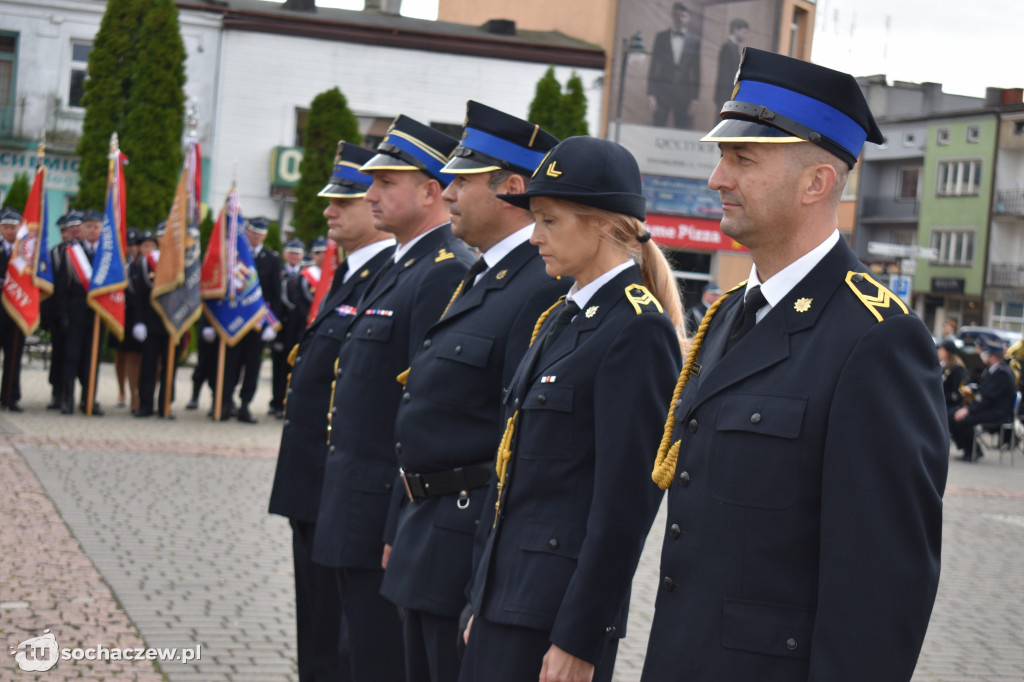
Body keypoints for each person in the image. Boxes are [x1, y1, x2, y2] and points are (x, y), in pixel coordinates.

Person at [642, 48, 948, 681]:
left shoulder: (877, 341)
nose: (717, 178)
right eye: (721, 156)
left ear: (817, 183)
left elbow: (879, 590)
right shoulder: (730, 316)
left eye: (743, 158)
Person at [459, 136, 684, 682]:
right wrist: (478, 598)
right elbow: (512, 477)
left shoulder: (636, 330)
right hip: (504, 598)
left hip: (553, 617)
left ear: (605, 224)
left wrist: (579, 637)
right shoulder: (565, 315)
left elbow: (623, 507)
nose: (535, 237)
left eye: (550, 221)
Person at [380, 101, 564, 682]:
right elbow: (421, 410)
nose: (449, 192)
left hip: (467, 547)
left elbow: (523, 447)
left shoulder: (540, 286)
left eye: (463, 179)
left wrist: (487, 582)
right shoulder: (479, 274)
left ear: (513, 187)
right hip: (426, 533)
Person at [311, 115, 473, 681]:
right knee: (352, 653)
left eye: (386, 182)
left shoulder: (440, 272)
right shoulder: (399, 266)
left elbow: (424, 410)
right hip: (351, 501)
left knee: (376, 659)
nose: (370, 193)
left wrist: (394, 524)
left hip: (381, 507)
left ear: (431, 191)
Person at [269, 141, 396, 682]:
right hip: (314, 484)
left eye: (343, 201)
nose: (329, 211)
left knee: (340, 645)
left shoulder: (390, 276)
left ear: (374, 207)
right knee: (316, 636)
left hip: (340, 488)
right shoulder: (348, 274)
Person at [221, 216, 280, 423]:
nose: (256, 236)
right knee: (231, 363)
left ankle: (245, 404)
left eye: (260, 233)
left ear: (265, 235)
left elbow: (275, 293)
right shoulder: (236, 256)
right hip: (236, 319)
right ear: (247, 232)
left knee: (252, 366)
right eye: (253, 232)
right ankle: (225, 402)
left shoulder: (272, 258)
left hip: (258, 323)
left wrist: (271, 324)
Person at [54, 209, 106, 416]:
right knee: (72, 356)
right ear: (82, 229)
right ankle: (68, 400)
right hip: (75, 311)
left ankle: (89, 399)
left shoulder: (106, 254)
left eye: (96, 226)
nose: (92, 230)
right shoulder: (72, 252)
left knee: (92, 357)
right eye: (88, 226)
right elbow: (62, 287)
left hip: (97, 314)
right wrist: (63, 314)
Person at [951, 334, 1016, 461]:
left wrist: (968, 409)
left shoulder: (1002, 373)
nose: (982, 356)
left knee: (961, 419)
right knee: (952, 414)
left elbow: (987, 398)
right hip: (989, 408)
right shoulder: (993, 370)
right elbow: (985, 391)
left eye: (985, 354)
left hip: (997, 412)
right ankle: (967, 449)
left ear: (992, 356)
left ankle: (973, 451)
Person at [44, 210, 82, 410]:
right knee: (58, 355)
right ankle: (56, 393)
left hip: (77, 312)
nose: (72, 233)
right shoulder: (55, 252)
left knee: (74, 355)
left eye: (76, 229)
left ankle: (74, 396)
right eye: (68, 230)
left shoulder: (82, 252)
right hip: (58, 312)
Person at [647, 2, 702, 129]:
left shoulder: (694, 41)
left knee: (681, 127)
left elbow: (697, 70)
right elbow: (653, 66)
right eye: (677, 15)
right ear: (672, 16)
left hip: (684, 94)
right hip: (662, 91)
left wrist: (694, 99)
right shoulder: (661, 37)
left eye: (683, 16)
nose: (680, 19)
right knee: (658, 127)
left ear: (688, 19)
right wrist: (651, 94)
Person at [270, 238, 305, 419]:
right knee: (279, 369)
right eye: (291, 252)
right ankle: (276, 402)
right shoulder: (278, 273)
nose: (294, 256)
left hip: (298, 330)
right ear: (285, 254)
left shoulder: (307, 275)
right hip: (281, 329)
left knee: (295, 370)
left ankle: (289, 404)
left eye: (297, 253)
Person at [115, 227, 144, 411]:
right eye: (129, 245)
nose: (132, 248)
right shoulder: (120, 264)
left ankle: (135, 393)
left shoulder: (143, 264)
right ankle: (121, 390)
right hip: (120, 312)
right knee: (120, 355)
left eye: (135, 245)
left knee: (135, 356)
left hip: (137, 315)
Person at [0, 208, 25, 411]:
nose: (10, 231)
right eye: (6, 227)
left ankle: (10, 397)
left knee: (14, 356)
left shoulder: (24, 252)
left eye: (13, 227)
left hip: (17, 310)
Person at [713, 18, 748, 109]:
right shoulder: (727, 47)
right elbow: (724, 74)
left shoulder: (734, 48)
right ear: (735, 30)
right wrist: (722, 99)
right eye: (744, 32)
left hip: (728, 96)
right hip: (724, 96)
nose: (745, 36)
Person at [938, 338, 966, 416]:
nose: (939, 351)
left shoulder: (957, 368)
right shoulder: (942, 366)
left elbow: (956, 391)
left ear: (947, 351)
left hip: (949, 405)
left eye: (941, 349)